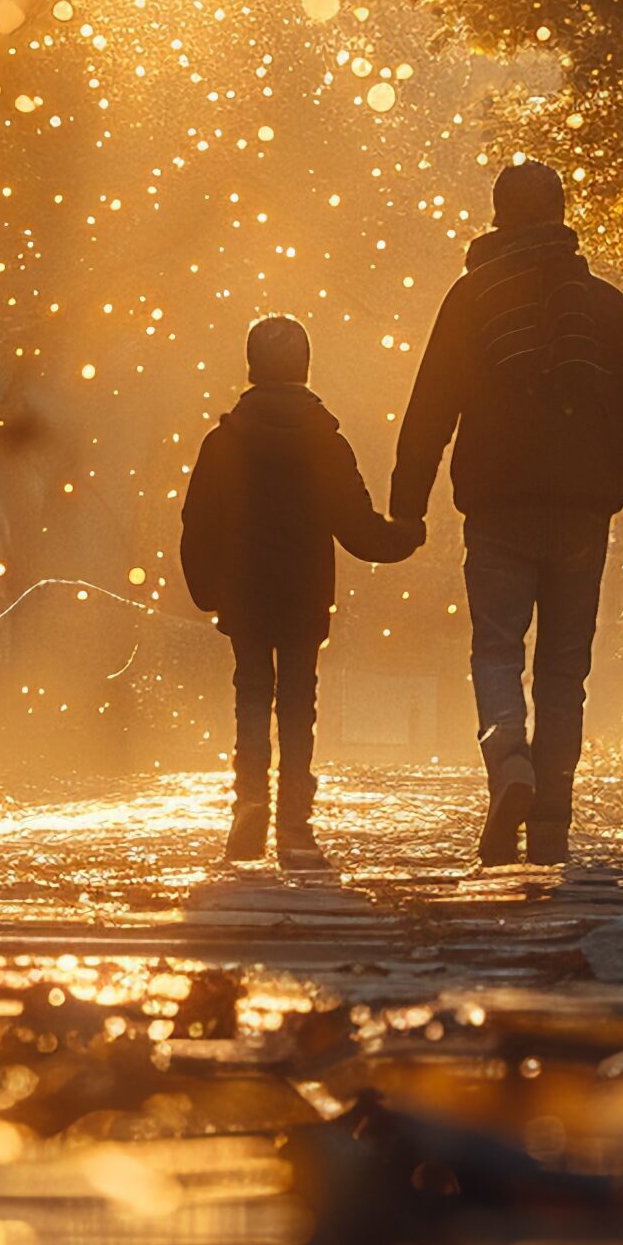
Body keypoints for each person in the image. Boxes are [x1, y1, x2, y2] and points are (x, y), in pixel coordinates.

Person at [390, 159, 623, 866]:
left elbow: (431, 405)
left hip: (497, 504)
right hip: (581, 510)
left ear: (496, 216)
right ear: (560, 212)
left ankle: (509, 757)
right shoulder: (605, 305)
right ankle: (551, 821)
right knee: (564, 670)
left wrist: (407, 502)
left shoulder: (471, 298)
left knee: (495, 647)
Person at [181, 315, 422, 869]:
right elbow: (357, 526)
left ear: (251, 367)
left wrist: (207, 588)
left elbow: (198, 521)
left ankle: (249, 803)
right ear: (305, 367)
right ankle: (294, 823)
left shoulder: (223, 442)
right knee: (297, 703)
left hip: (244, 595)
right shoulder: (325, 444)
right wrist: (406, 536)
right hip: (304, 594)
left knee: (250, 694)